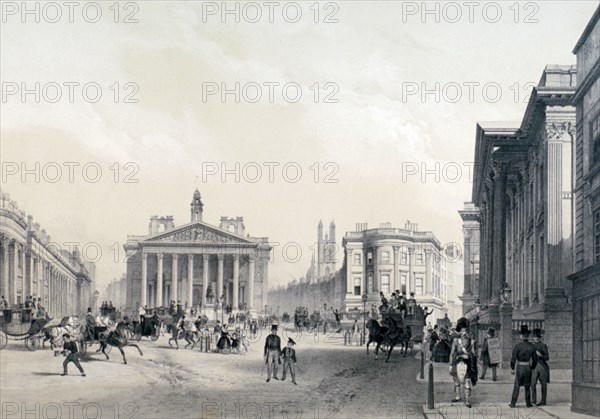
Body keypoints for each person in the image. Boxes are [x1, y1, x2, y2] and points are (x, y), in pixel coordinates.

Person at [449, 317, 477, 408]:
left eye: (464, 330)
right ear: (459, 330)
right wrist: (450, 364)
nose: (463, 332)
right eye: (461, 330)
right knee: (456, 381)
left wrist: (469, 354)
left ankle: (467, 400)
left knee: (467, 382)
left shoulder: (470, 341)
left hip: (467, 362)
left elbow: (474, 353)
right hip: (457, 362)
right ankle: (457, 396)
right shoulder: (456, 341)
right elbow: (452, 353)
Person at [509, 325, 538, 408]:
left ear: (521, 336)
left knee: (517, 385)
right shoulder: (532, 346)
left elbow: (513, 358)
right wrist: (532, 368)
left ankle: (513, 403)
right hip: (528, 367)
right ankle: (528, 403)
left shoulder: (518, 346)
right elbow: (535, 359)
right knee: (527, 386)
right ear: (528, 336)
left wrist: (512, 368)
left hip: (520, 368)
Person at [531, 328, 550, 406]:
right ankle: (533, 400)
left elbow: (547, 357)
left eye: (536, 337)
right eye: (534, 337)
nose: (534, 338)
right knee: (532, 384)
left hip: (542, 366)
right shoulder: (531, 346)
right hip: (534, 366)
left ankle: (543, 401)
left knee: (543, 384)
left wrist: (540, 355)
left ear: (539, 338)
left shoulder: (543, 345)